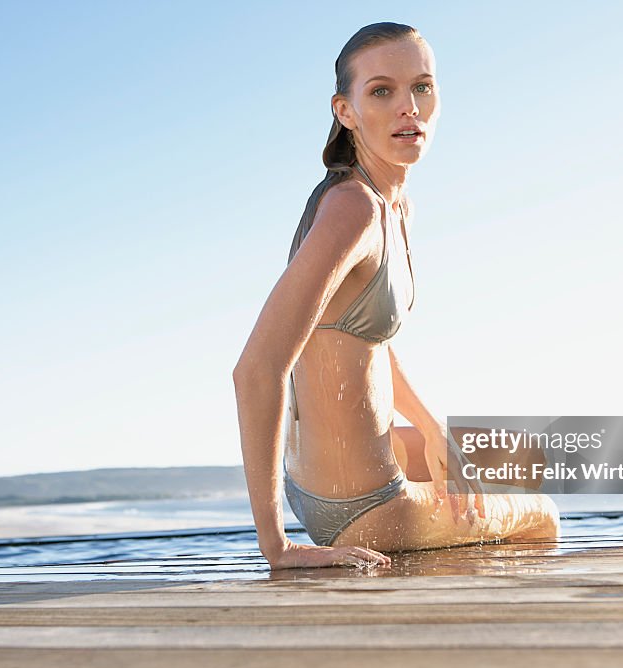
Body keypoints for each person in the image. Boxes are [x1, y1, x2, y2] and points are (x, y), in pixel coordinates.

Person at [233, 22, 559, 570]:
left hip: (345, 470)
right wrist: (278, 548)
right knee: (543, 512)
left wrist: (432, 430)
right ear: (345, 110)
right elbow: (256, 370)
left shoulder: (390, 203)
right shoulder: (353, 209)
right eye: (382, 91)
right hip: (364, 505)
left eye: (422, 87)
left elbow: (367, 340)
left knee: (515, 457)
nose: (408, 106)